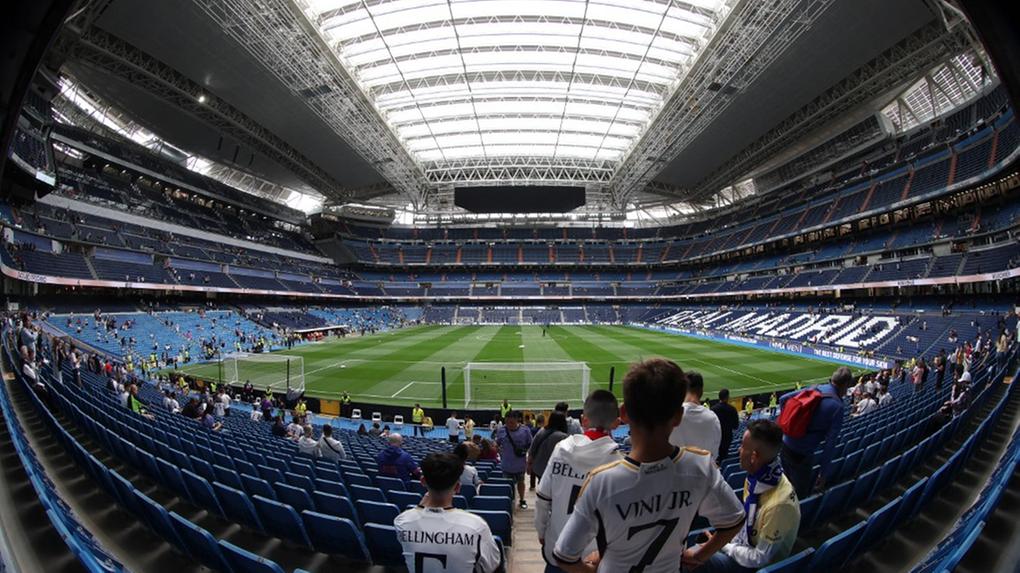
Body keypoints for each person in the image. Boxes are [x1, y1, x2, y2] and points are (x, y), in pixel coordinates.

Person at [553, 359, 744, 573]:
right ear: (679, 417)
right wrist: (700, 555)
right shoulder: (701, 467)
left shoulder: (601, 482)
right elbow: (734, 520)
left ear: (623, 414)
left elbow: (565, 555)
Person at [694, 420, 800, 573]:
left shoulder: (778, 506)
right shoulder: (759, 477)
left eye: (743, 446)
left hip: (755, 566)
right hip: (743, 543)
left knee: (693, 557)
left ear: (754, 457)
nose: (739, 449)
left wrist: (722, 546)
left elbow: (760, 559)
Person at [536, 390, 621, 573]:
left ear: (584, 420)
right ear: (616, 423)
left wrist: (542, 532)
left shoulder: (561, 449)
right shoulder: (618, 463)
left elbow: (543, 498)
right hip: (594, 558)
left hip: (557, 549)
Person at [393, 453, 502, 573]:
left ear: (423, 481)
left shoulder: (402, 521)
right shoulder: (476, 525)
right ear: (458, 487)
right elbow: (492, 566)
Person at [778, 366, 852, 497]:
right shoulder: (837, 407)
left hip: (785, 445)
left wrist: (787, 421)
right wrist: (823, 474)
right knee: (800, 494)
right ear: (845, 384)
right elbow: (830, 444)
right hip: (802, 454)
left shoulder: (815, 388)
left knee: (784, 486)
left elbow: (783, 399)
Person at [668, 371, 721, 455]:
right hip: (704, 467)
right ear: (701, 391)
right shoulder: (713, 419)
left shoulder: (670, 417)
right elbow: (713, 454)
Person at [495, 410, 532, 509]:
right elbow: (497, 444)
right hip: (506, 465)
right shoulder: (501, 430)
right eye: (507, 422)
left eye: (511, 422)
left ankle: (522, 499)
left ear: (517, 420)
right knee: (507, 486)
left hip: (520, 464)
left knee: (521, 482)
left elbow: (530, 445)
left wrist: (528, 460)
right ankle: (508, 502)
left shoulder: (525, 430)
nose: (509, 425)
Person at [528, 412, 570, 491]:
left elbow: (532, 449)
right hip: (555, 470)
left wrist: (529, 464)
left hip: (539, 468)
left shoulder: (541, 431)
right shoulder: (563, 436)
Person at [712, 389, 740, 464]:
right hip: (727, 438)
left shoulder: (713, 409)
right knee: (724, 456)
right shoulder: (732, 409)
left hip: (715, 438)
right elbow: (735, 426)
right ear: (727, 397)